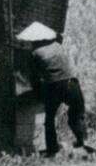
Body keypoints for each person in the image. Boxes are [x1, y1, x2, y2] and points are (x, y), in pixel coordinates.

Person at [17, 22, 89, 157]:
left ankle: (52, 150)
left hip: (54, 86)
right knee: (76, 115)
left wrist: (38, 93)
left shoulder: (35, 53)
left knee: (49, 120)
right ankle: (82, 141)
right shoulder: (58, 46)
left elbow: (34, 78)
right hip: (71, 83)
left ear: (35, 40)